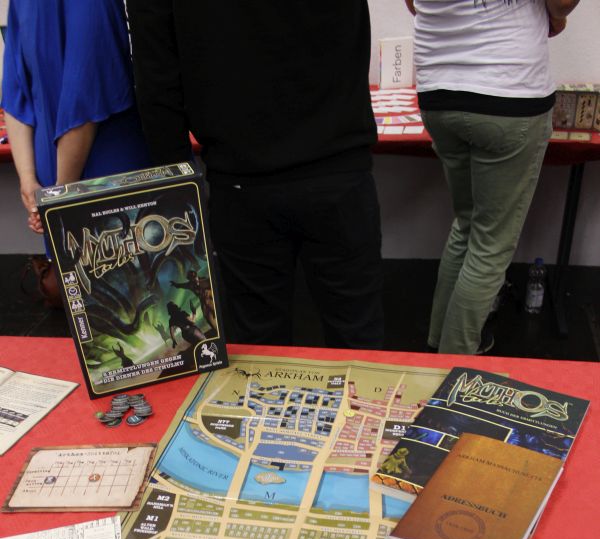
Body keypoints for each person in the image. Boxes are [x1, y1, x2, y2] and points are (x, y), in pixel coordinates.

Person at [124, 0, 384, 350]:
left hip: (244, 177)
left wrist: (179, 187)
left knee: (261, 346)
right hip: (330, 163)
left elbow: (157, 80)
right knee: (357, 338)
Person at [405, 0, 581, 355]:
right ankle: (454, 365)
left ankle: (437, 347)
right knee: (490, 246)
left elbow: (413, 4)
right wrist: (553, 17)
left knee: (467, 225)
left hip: (438, 89)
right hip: (507, 89)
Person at [1, 0, 151, 238]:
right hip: (55, 191)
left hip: (101, 180)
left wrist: (51, 193)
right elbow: (16, 93)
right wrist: (32, 184)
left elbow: (83, 98)